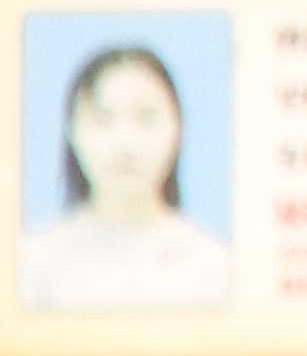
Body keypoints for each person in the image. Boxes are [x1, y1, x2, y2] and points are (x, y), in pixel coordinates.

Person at [23, 40, 238, 312]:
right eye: (103, 120)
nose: (124, 143)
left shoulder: (216, 266)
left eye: (146, 118)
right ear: (72, 132)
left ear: (178, 129)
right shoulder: (32, 263)